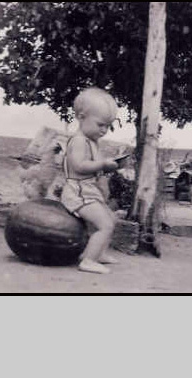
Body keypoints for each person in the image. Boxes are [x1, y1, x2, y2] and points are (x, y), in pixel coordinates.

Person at [61, 88, 120, 274]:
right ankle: (87, 260)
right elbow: (79, 166)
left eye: (107, 126)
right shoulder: (78, 141)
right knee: (105, 224)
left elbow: (94, 166)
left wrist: (108, 166)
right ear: (81, 116)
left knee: (111, 218)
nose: (104, 130)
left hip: (88, 190)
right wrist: (102, 164)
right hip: (78, 192)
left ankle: (98, 253)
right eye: (100, 124)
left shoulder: (91, 140)